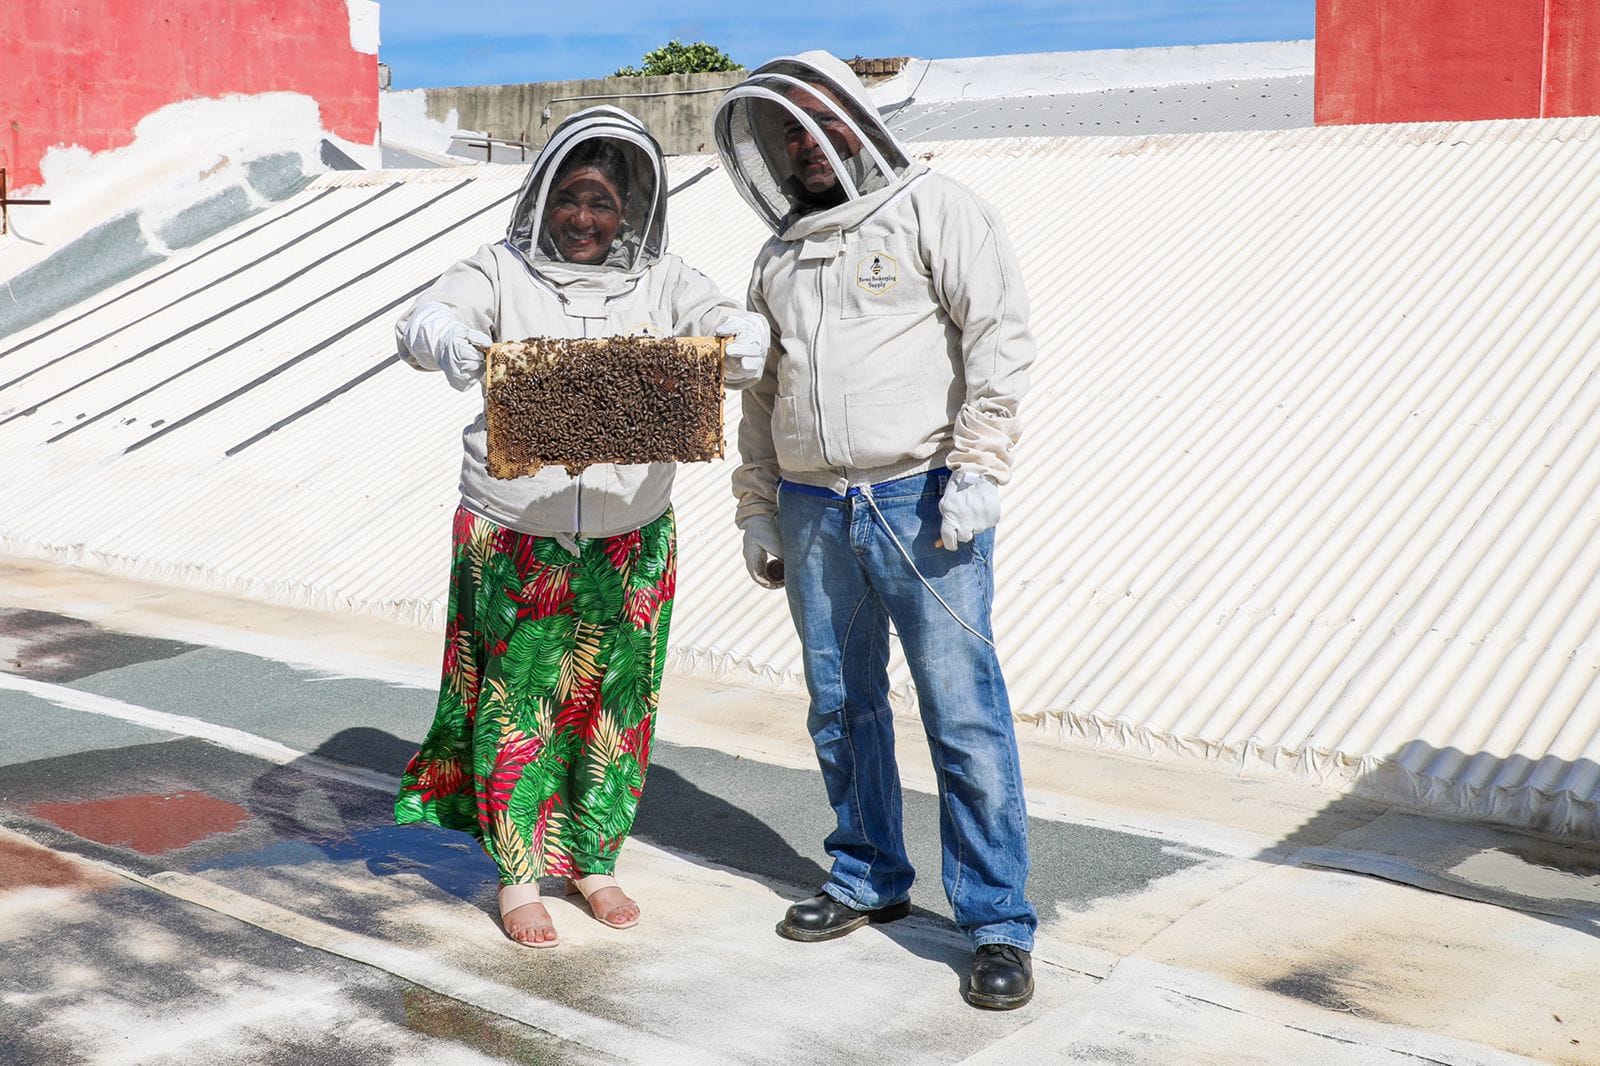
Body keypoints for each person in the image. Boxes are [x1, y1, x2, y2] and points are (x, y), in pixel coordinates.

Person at [393, 107, 768, 948]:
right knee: (517, 703)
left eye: (604, 201)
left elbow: (722, 326)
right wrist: (448, 340)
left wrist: (742, 334)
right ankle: (519, 874)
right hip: (514, 530)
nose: (587, 218)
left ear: (632, 209)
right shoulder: (497, 270)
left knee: (613, 705)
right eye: (572, 197)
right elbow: (421, 323)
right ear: (543, 198)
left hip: (629, 537)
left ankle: (594, 861)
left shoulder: (668, 280)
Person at [713, 53, 1040, 1008]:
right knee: (838, 703)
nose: (804, 146)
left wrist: (979, 467)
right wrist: (756, 503)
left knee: (962, 713)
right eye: (788, 135)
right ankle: (867, 874)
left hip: (922, 495)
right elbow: (763, 395)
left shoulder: (941, 209)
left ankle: (997, 922)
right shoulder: (779, 254)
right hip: (816, 508)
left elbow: (1000, 337)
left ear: (855, 120)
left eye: (818, 124)